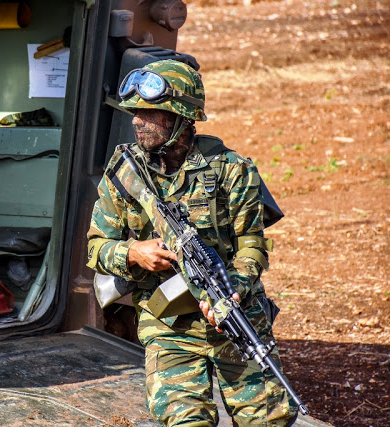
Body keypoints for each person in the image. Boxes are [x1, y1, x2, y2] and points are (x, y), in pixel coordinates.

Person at [86, 59, 299, 426]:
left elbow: (252, 245)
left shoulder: (232, 170)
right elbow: (96, 248)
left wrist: (235, 288)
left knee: (268, 419)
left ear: (181, 116)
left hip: (234, 316)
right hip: (169, 327)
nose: (137, 120)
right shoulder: (123, 173)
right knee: (186, 421)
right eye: (135, 112)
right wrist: (135, 253)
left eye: (149, 113)